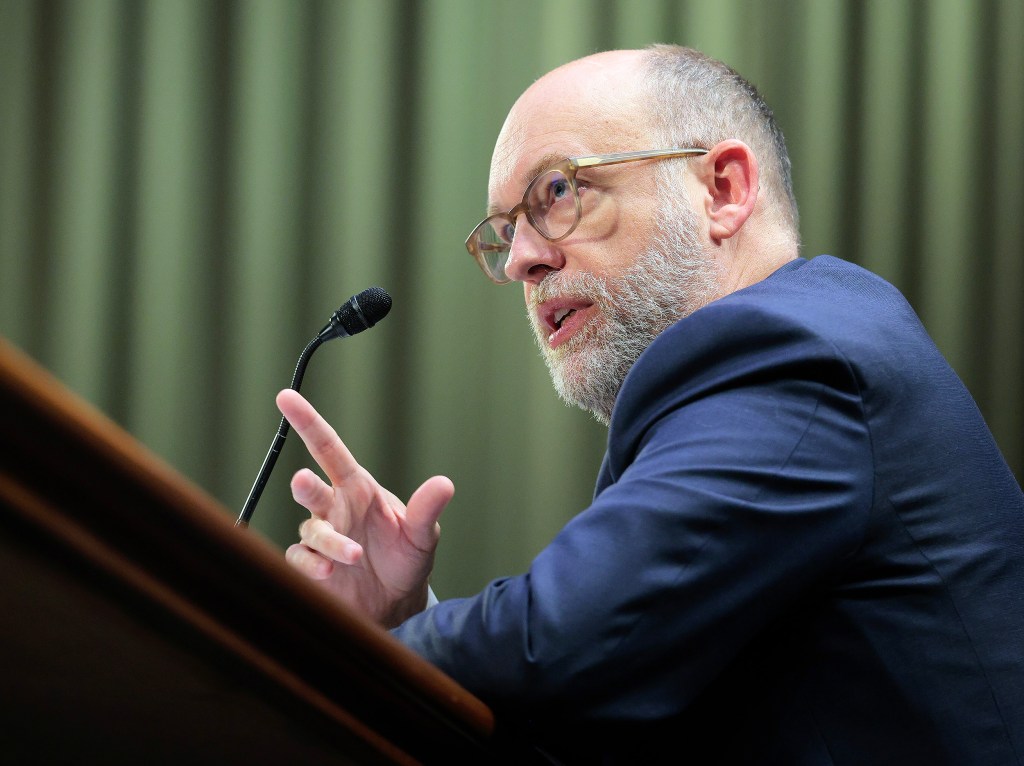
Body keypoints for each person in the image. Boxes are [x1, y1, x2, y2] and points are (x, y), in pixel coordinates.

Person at [278, 45, 1024, 764]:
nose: (521, 260)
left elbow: (561, 638)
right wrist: (402, 625)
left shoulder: (793, 354)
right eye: (506, 231)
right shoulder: (773, 367)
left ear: (724, 191)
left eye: (559, 192)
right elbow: (589, 729)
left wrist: (299, 649)